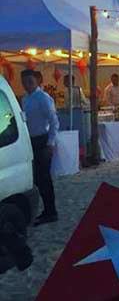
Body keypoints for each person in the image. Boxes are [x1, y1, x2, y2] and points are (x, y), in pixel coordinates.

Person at [20, 69, 59, 226]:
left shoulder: (43, 98)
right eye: (24, 82)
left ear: (36, 81)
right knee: (37, 178)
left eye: (30, 81)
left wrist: (50, 143)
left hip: (43, 141)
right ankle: (46, 210)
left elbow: (54, 122)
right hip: (31, 141)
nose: (27, 85)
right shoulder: (25, 99)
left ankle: (51, 211)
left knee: (44, 178)